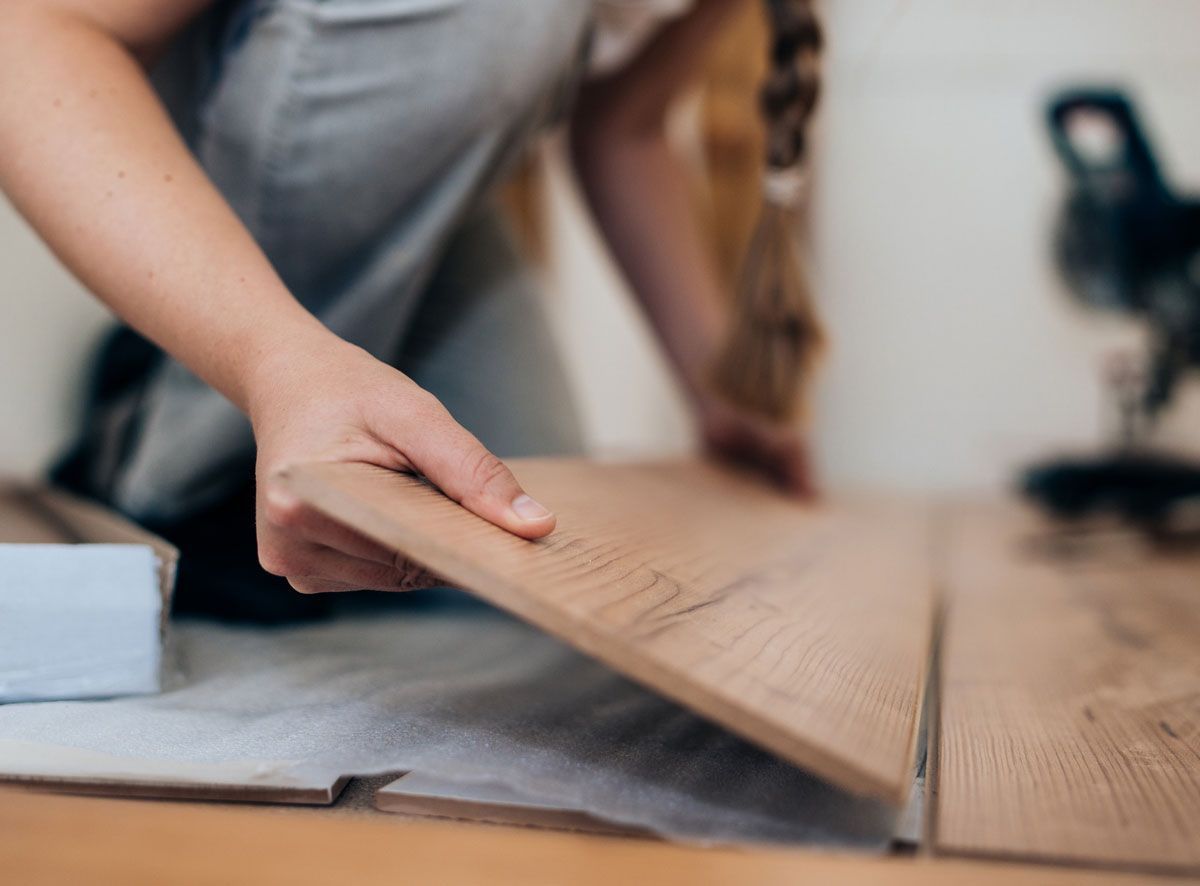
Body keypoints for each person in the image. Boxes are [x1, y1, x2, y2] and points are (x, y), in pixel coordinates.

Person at [0, 0, 812, 620]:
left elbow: (626, 125)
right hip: (187, 158)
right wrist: (274, 358)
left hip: (426, 199)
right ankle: (170, 446)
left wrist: (719, 395)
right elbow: (31, 34)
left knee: (514, 585)